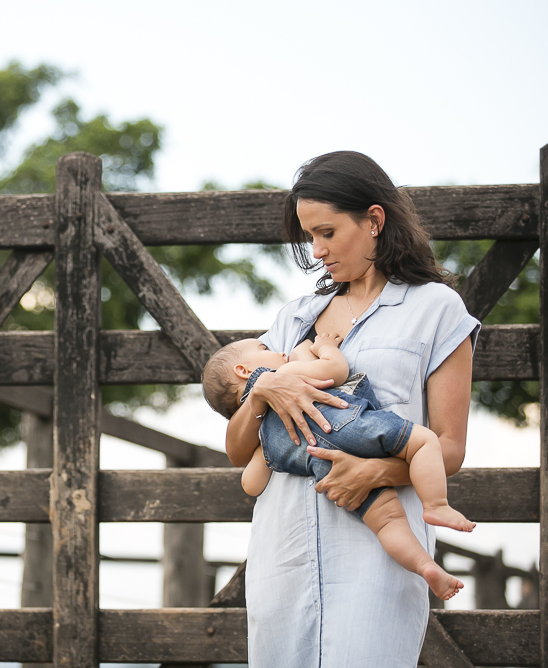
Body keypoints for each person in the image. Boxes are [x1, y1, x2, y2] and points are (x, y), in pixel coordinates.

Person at [224, 151, 480, 668]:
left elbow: (448, 447)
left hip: (377, 547)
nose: (316, 250)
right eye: (308, 237)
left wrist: (371, 471)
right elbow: (237, 450)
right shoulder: (294, 319)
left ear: (374, 220)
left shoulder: (436, 309)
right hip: (283, 544)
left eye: (327, 232)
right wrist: (264, 389)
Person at [203, 333, 472, 600]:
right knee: (424, 442)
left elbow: (251, 485)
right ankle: (436, 505)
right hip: (352, 428)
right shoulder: (285, 374)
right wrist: (326, 347)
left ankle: (426, 567)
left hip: (330, 472)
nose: (277, 350)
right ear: (243, 370)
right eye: (264, 348)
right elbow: (336, 370)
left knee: (388, 521)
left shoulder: (262, 435)